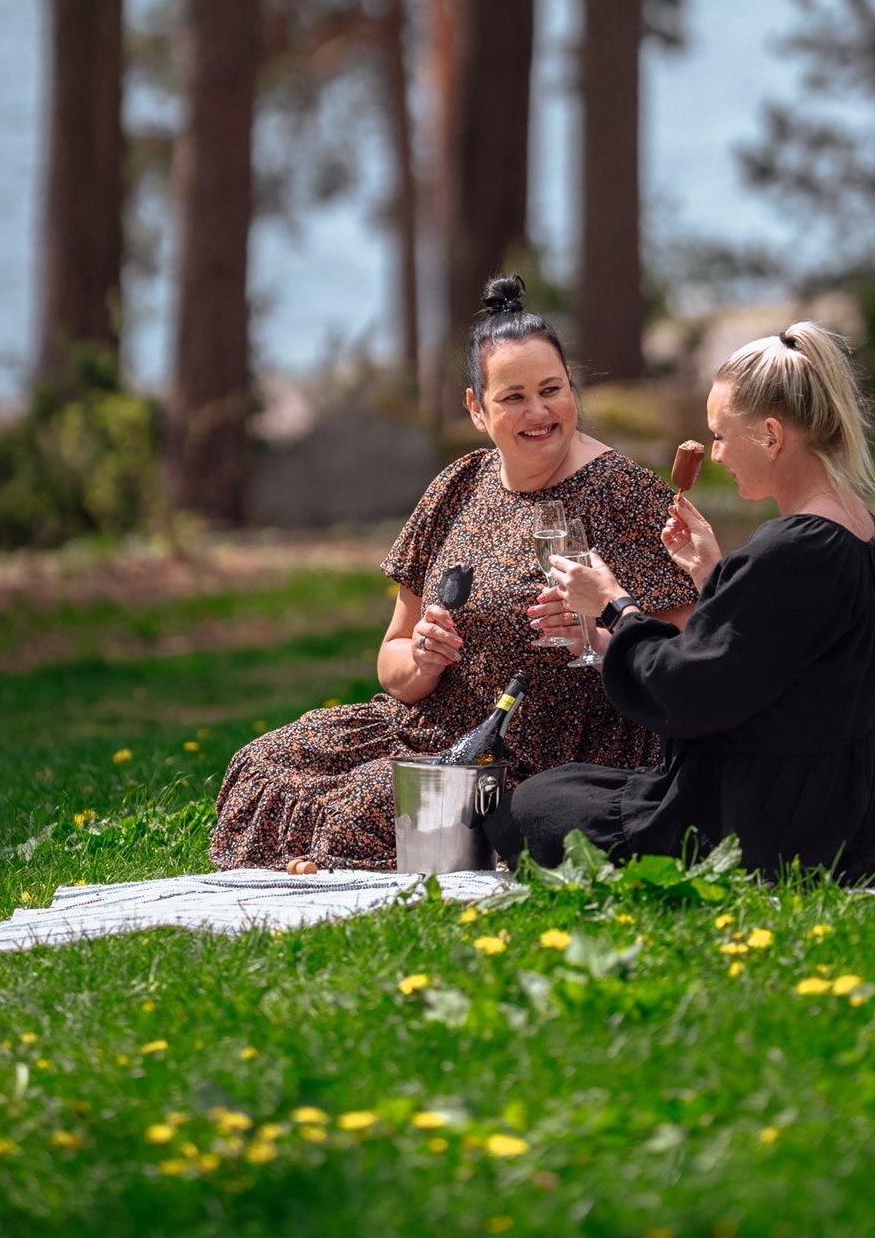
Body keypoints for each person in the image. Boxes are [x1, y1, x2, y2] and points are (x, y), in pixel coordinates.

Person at [209, 276, 697, 870]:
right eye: (513, 397)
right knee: (267, 763)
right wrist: (422, 659)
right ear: (476, 408)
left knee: (359, 808)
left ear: (573, 389)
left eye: (552, 390)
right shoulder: (457, 486)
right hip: (438, 730)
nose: (538, 412)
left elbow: (683, 663)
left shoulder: (627, 493)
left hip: (554, 749)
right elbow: (392, 661)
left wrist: (597, 636)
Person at [485, 321, 875, 886]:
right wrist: (713, 574)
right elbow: (773, 653)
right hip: (838, 801)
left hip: (767, 824)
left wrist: (613, 606)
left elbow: (687, 691)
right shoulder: (860, 530)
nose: (715, 453)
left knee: (531, 808)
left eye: (723, 436)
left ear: (773, 437)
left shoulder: (792, 548)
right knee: (573, 785)